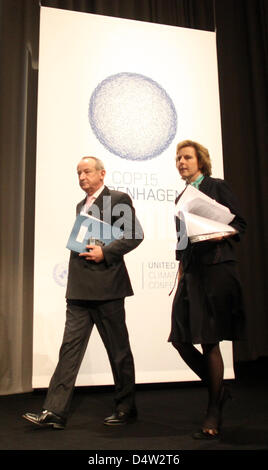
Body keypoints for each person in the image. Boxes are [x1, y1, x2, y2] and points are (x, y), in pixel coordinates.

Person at [23, 156, 143, 429]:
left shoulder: (117, 199)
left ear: (102, 174)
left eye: (87, 171)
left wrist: (106, 252)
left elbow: (135, 234)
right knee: (69, 350)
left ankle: (126, 407)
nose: (82, 177)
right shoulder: (81, 204)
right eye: (78, 173)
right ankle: (54, 411)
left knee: (118, 351)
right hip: (78, 289)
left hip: (108, 287)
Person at [168, 140, 246, 439]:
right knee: (180, 339)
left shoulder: (217, 186)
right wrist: (180, 269)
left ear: (200, 160)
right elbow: (182, 239)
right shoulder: (181, 196)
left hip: (216, 268)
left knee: (209, 341)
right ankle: (219, 389)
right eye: (178, 158)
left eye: (186, 157)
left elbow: (239, 223)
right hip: (190, 271)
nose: (181, 162)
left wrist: (219, 233)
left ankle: (213, 409)